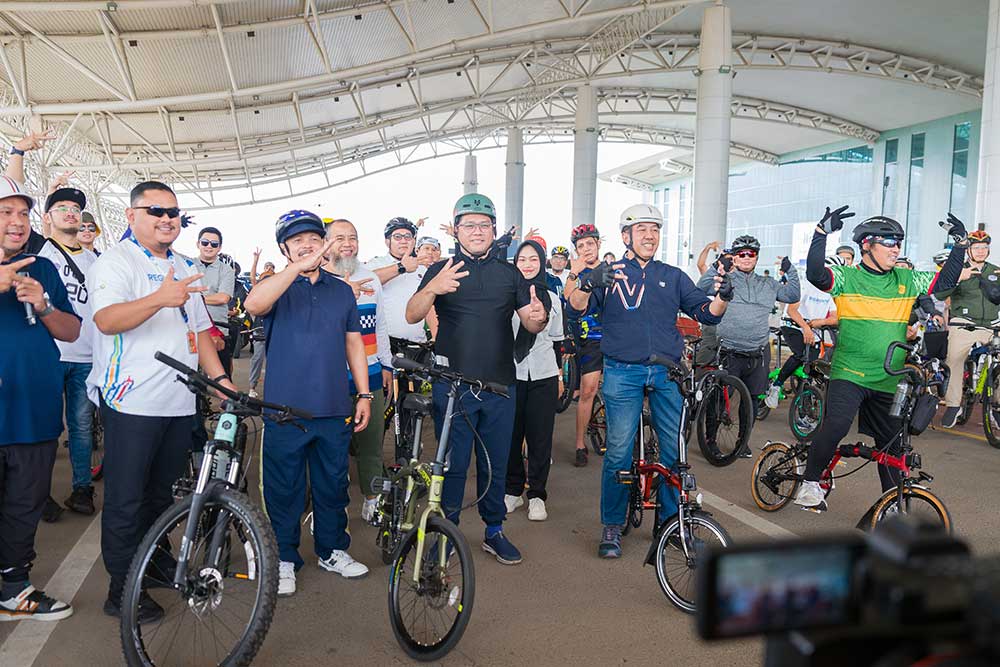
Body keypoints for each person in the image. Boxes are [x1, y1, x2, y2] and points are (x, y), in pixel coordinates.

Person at [86, 180, 235, 622]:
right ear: (132, 217)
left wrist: (223, 382)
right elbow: (107, 320)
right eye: (155, 211)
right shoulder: (117, 261)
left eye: (173, 212)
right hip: (130, 402)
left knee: (161, 498)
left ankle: (151, 563)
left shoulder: (187, 266)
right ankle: (121, 590)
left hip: (177, 403)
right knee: (125, 501)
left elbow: (202, 334)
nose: (167, 218)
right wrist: (159, 298)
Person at [565, 204, 730, 558]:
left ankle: (670, 522)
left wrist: (723, 298)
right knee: (619, 454)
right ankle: (611, 524)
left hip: (667, 372)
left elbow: (705, 313)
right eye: (641, 229)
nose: (649, 235)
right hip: (622, 372)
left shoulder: (672, 275)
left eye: (655, 229)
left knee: (674, 453)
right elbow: (576, 307)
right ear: (626, 236)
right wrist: (587, 281)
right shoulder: (609, 273)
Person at [405, 192, 548, 565]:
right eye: (469, 225)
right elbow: (411, 314)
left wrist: (538, 317)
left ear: (494, 230)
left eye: (484, 225)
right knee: (452, 464)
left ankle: (494, 530)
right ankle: (446, 530)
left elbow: (531, 320)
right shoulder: (444, 268)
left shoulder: (508, 272)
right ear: (456, 230)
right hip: (453, 386)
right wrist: (432, 288)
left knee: (495, 462)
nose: (477, 231)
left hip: (501, 386)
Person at [794, 208, 966, 512]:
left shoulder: (906, 279)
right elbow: (816, 274)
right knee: (835, 427)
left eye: (898, 242)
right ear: (866, 245)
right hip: (850, 372)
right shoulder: (848, 277)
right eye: (888, 241)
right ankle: (810, 482)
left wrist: (960, 246)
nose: (895, 248)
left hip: (889, 377)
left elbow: (944, 284)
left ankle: (891, 506)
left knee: (891, 447)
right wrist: (821, 235)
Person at [244, 210, 372, 596]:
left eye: (313, 239)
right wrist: (294, 269)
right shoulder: (276, 285)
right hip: (284, 410)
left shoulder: (340, 290)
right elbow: (254, 305)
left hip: (333, 406)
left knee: (333, 485)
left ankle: (332, 550)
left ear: (325, 244)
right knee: (284, 488)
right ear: (284, 249)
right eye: (296, 241)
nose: (306, 245)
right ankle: (283, 557)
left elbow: (354, 343)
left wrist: (363, 393)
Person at [0, 177, 81, 622]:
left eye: (22, 214)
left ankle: (15, 587)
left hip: (35, 411)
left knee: (24, 503)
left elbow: (72, 331)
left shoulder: (44, 266)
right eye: (5, 213)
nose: (16, 222)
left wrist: (45, 305)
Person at [697, 236, 800, 438]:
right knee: (719, 398)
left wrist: (791, 270)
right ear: (734, 258)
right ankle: (710, 438)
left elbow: (792, 296)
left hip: (758, 352)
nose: (746, 257)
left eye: (750, 254)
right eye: (740, 254)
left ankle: (742, 442)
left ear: (756, 257)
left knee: (751, 400)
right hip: (729, 350)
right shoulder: (725, 281)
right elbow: (701, 288)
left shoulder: (768, 283)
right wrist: (718, 266)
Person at [323, 218, 391, 523]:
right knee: (331, 447)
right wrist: (341, 297)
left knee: (371, 443)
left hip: (371, 374)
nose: (348, 243)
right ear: (326, 242)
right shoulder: (318, 279)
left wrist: (387, 364)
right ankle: (331, 510)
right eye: (340, 238)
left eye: (353, 237)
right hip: (330, 379)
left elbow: (381, 325)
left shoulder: (371, 279)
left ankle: (372, 499)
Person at [37, 185, 100, 515]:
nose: (71, 212)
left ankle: (82, 490)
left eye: (75, 207)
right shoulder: (40, 256)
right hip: (49, 355)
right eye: (62, 207)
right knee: (47, 428)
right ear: (49, 217)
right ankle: (39, 494)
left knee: (82, 427)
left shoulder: (96, 260)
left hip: (87, 357)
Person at [504, 240, 563, 522]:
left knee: (540, 438)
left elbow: (558, 342)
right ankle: (513, 491)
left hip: (544, 374)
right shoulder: (504, 296)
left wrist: (562, 376)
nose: (528, 264)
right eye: (522, 260)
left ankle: (537, 495)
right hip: (511, 375)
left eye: (533, 260)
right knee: (511, 436)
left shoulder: (552, 296)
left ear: (542, 263)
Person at [937, 229, 1000, 427]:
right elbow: (939, 294)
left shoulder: (996, 271)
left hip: (992, 326)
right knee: (954, 360)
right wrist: (958, 277)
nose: (981, 251)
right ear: (969, 250)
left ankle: (996, 407)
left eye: (984, 247)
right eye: (976, 247)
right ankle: (954, 405)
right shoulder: (957, 269)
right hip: (963, 324)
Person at [763, 256, 840, 409]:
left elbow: (835, 318)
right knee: (801, 355)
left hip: (812, 328)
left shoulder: (830, 292)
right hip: (792, 325)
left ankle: (803, 394)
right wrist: (805, 327)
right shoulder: (805, 286)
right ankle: (776, 385)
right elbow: (792, 310)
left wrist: (821, 322)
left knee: (813, 361)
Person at [562, 223, 605, 467]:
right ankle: (580, 443)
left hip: (615, 335)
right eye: (581, 246)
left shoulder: (610, 268)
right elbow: (568, 298)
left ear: (599, 244)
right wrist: (573, 272)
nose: (587, 249)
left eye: (590, 243)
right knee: (588, 389)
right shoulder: (576, 272)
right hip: (588, 339)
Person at [191, 227, 236, 374]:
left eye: (214, 244)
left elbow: (223, 297)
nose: (209, 246)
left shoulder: (227, 270)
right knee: (190, 379)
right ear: (198, 244)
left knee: (223, 378)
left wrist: (194, 298)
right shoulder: (187, 265)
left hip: (218, 331)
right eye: (205, 242)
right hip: (191, 330)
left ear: (220, 248)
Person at [248, 249, 274, 397]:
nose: (269, 269)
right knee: (257, 359)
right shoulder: (259, 287)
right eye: (267, 267)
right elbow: (252, 278)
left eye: (271, 267)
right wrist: (256, 260)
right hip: (259, 330)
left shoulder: (279, 286)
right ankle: (252, 387)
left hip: (275, 330)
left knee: (275, 360)